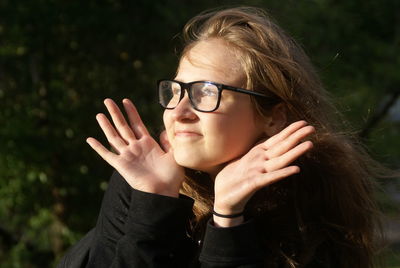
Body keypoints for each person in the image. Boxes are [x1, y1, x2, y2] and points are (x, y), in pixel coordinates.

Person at [57, 6, 386, 268]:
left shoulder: (311, 203)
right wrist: (154, 203)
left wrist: (228, 219)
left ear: (273, 117)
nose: (179, 111)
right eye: (176, 91)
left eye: (205, 92)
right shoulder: (143, 183)